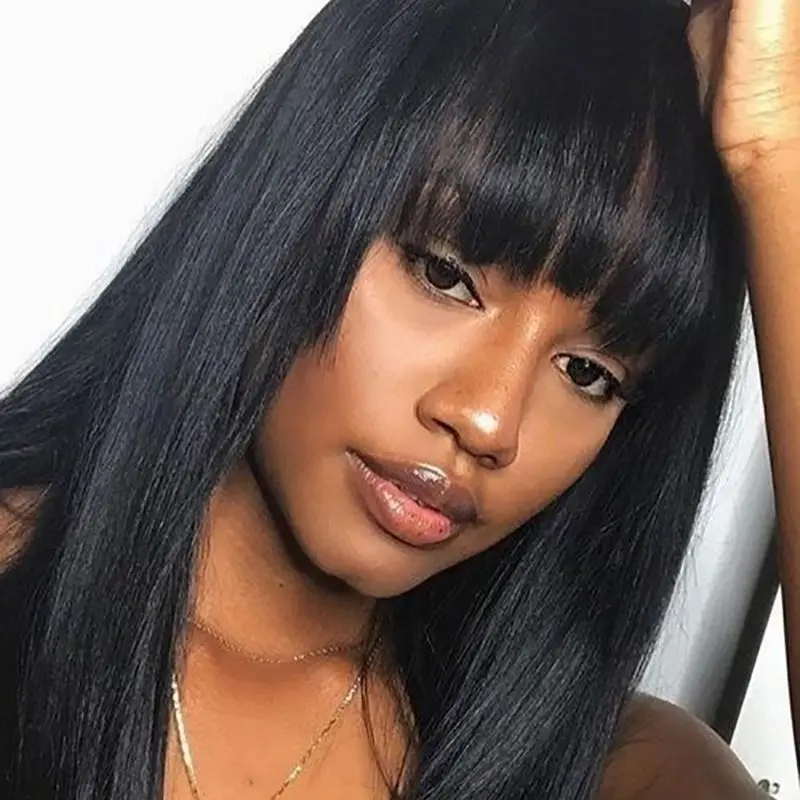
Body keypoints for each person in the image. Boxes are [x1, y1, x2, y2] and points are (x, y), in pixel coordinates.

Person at [0, 0, 795, 797]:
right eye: (444, 275)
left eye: (589, 374)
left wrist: (776, 157)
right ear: (294, 202)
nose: (489, 421)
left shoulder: (628, 771)